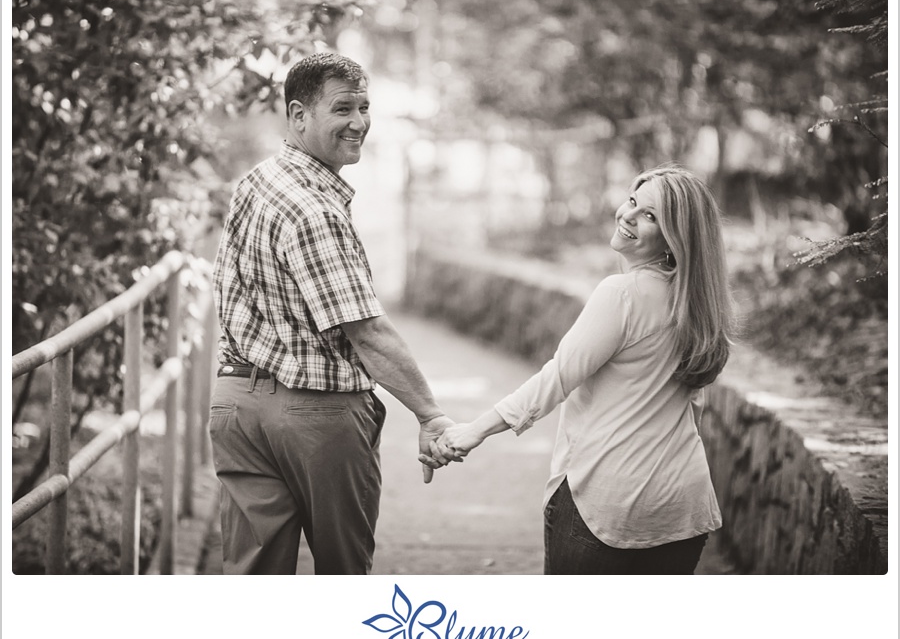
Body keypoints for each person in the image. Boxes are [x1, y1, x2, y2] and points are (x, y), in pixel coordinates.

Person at [422, 164, 737, 575]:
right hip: (681, 506)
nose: (627, 215)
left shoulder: (622, 294)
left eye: (650, 216)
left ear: (673, 239)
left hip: (606, 504)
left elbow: (557, 378)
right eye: (632, 202)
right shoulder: (700, 307)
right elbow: (693, 405)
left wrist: (473, 431)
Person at [209, 52, 452, 575]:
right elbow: (366, 332)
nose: (360, 123)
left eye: (365, 108)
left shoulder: (258, 180)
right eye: (343, 109)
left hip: (236, 405)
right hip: (315, 417)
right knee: (343, 574)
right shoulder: (313, 211)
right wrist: (430, 415)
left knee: (253, 577)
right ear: (298, 116)